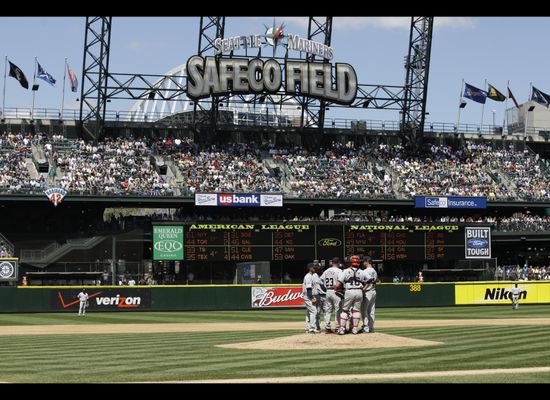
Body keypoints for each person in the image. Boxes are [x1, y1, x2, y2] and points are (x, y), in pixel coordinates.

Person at [335, 255, 363, 335]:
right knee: (356, 310)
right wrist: (363, 288)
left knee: (345, 310)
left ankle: (342, 329)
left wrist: (336, 288)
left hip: (349, 291)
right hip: (359, 291)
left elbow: (337, 284)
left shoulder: (346, 271)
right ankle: (355, 329)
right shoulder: (362, 271)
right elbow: (370, 280)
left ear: (351, 262)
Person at [319, 257, 343, 333]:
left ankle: (327, 327)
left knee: (328, 310)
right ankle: (337, 327)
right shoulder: (339, 271)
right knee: (338, 310)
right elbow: (341, 281)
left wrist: (325, 289)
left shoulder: (326, 271)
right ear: (338, 262)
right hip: (336, 291)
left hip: (328, 292)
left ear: (332, 262)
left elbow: (320, 281)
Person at [361, 256, 378, 333]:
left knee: (364, 310)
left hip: (367, 292)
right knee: (371, 311)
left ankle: (366, 328)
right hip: (373, 291)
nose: (363, 262)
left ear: (367, 262)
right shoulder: (374, 271)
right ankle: (371, 328)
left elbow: (368, 282)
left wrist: (363, 289)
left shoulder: (365, 271)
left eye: (364, 261)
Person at [302, 263, 319, 333]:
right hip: (308, 296)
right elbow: (309, 289)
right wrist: (312, 298)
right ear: (310, 268)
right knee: (313, 311)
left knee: (309, 312)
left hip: (308, 295)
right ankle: (311, 328)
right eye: (313, 267)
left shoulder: (311, 276)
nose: (315, 268)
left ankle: (308, 328)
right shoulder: (308, 276)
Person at [312, 262, 325, 332]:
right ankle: (317, 327)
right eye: (316, 268)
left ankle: (326, 328)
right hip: (317, 296)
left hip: (324, 296)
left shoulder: (324, 274)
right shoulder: (314, 275)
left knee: (326, 312)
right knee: (317, 312)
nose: (318, 269)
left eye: (319, 267)